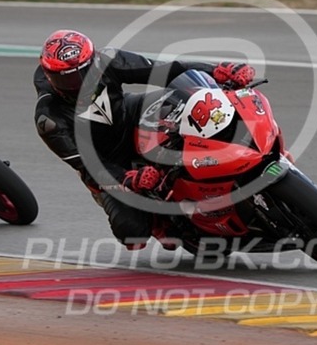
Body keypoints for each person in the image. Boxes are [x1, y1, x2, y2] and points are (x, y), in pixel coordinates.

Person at [34, 29, 255, 249]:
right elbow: (86, 165)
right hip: (108, 161)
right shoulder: (49, 118)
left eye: (85, 72)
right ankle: (160, 222)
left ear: (93, 60)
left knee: (191, 101)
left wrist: (217, 71)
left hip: (130, 115)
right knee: (132, 234)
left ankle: (242, 142)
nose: (80, 83)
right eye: (67, 79)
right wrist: (126, 179)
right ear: (49, 76)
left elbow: (164, 70)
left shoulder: (107, 60)